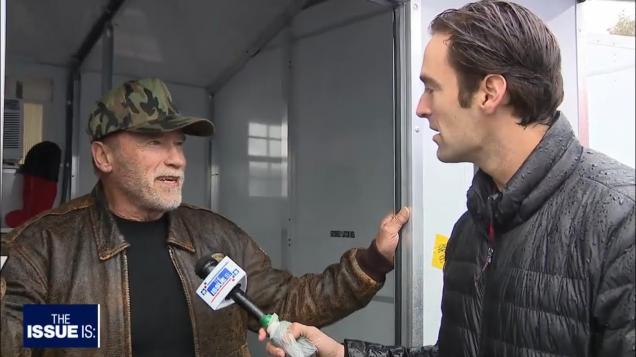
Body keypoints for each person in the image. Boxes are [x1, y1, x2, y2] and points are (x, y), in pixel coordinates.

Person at [261, 1, 635, 356]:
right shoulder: (470, 231)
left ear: (489, 93)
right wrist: (342, 354)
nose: (421, 108)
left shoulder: (621, 225)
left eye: (431, 87)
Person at [0, 78, 410, 356]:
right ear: (103, 156)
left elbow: (287, 302)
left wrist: (373, 261)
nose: (176, 159)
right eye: (153, 142)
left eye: (178, 144)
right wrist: (89, 322)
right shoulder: (45, 245)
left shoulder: (215, 236)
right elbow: (15, 334)